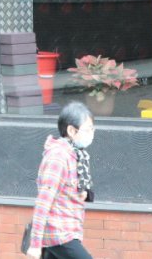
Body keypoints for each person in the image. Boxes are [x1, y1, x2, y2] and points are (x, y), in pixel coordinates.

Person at [26, 101, 95, 258]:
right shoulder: (58, 157)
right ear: (71, 130)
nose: (92, 133)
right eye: (88, 129)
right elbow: (43, 201)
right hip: (59, 233)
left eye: (93, 129)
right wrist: (35, 244)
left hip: (67, 230)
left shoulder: (77, 155)